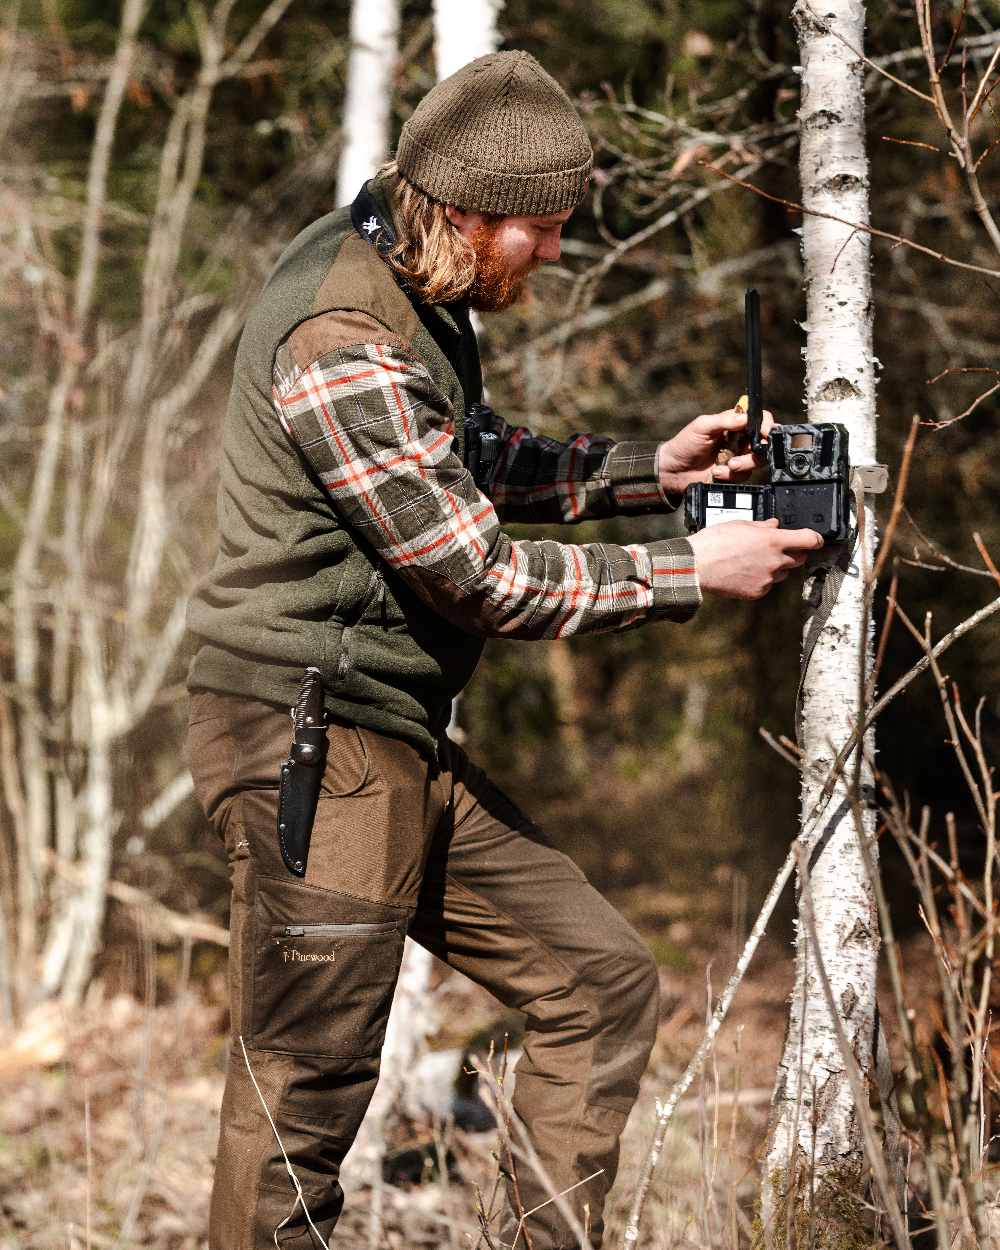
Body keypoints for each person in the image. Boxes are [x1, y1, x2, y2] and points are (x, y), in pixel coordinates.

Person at [185, 49, 821, 1250]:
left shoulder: (411, 291)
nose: (557, 254)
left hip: (384, 735)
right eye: (543, 230)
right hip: (307, 741)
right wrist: (692, 571)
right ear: (468, 214)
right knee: (301, 1103)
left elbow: (456, 460)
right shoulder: (341, 333)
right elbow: (472, 572)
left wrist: (650, 469)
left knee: (595, 981)